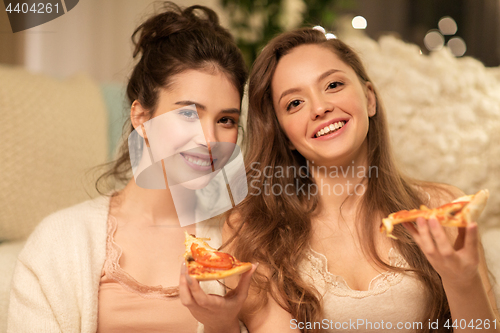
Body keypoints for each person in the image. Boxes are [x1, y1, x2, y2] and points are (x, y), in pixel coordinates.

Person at [224, 28, 500, 332]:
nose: (320, 108)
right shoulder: (255, 231)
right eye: (294, 103)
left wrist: (462, 281)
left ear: (369, 98)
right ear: (285, 136)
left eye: (333, 84)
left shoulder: (444, 207)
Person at [7, 3, 255, 333]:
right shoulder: (60, 243)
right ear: (141, 117)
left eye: (226, 120)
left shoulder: (242, 239)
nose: (210, 140)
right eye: (187, 114)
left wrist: (222, 323)